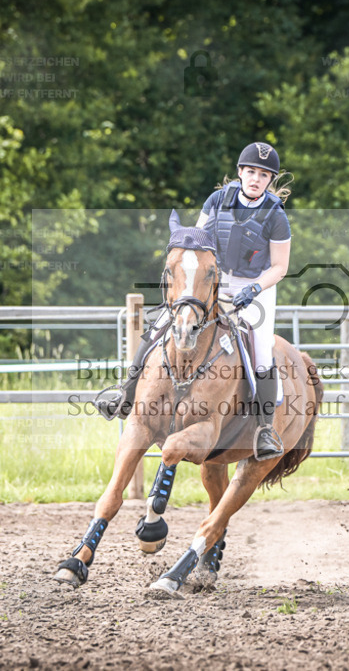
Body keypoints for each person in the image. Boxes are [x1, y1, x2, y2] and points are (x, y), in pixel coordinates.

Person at [100, 142, 292, 461]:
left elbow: (280, 267)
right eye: (251, 172)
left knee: (261, 353)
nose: (256, 179)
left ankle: (265, 429)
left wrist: (254, 290)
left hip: (256, 285)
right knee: (161, 324)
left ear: (269, 179)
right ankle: (124, 394)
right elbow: (198, 242)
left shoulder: (276, 214)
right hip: (212, 278)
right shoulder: (218, 200)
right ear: (240, 172)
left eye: (263, 174)